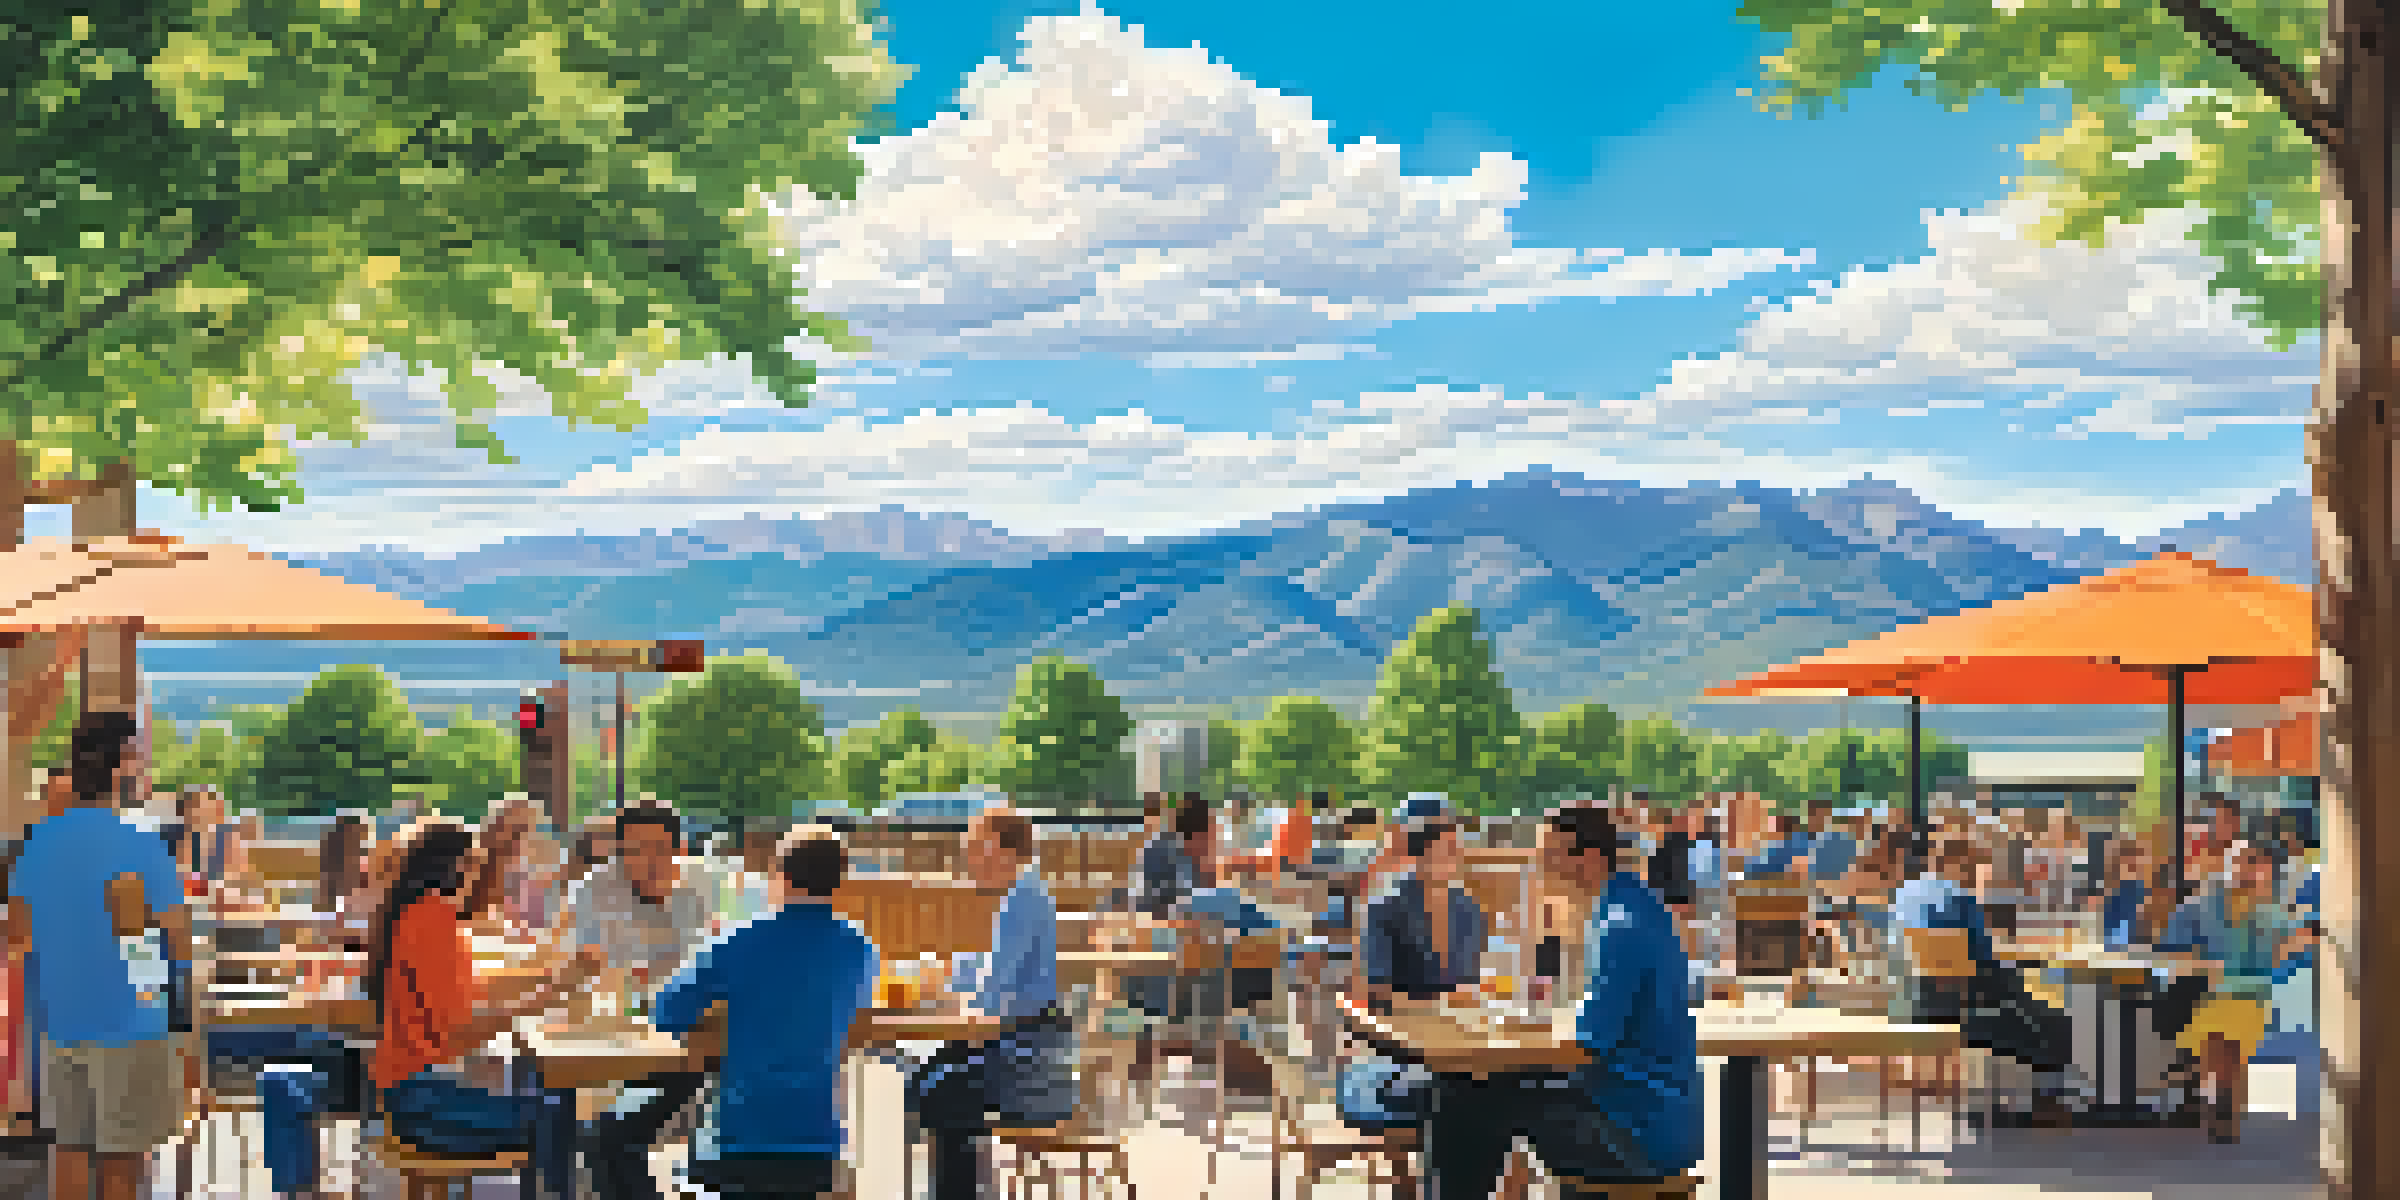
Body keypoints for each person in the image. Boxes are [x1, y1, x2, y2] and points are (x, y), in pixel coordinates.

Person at [1421, 807, 1702, 1199]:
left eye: (1549, 856)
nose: (1540, 867)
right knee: (1482, 1090)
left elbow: (1588, 1044)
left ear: (1587, 858)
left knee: (1464, 1099)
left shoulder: (1619, 927)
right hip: (1656, 1120)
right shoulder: (1638, 908)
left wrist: (1509, 1044)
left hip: (1633, 1136)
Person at [3, 713, 192, 1200]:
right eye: (138, 756)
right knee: (120, 1169)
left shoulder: (37, 845)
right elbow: (175, 945)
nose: (144, 767)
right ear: (120, 767)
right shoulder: (138, 845)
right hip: (129, 1025)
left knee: (67, 1158)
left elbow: (17, 939)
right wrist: (182, 1031)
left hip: (61, 1028)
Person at [650, 826, 876, 1198]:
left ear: (781, 876)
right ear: (838, 881)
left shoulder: (740, 940)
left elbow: (667, 1011)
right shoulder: (859, 949)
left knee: (676, 1152)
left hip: (743, 1136)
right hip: (818, 1141)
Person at [369, 823, 592, 1198]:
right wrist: (543, 998)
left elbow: (475, 992)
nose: (480, 876)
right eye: (475, 864)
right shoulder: (432, 920)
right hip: (425, 1102)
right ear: (455, 867)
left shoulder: (420, 915)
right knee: (561, 1114)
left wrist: (554, 981)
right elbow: (459, 1029)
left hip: (418, 1094)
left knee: (554, 1098)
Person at [908, 808, 1076, 1200]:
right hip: (1031, 1049)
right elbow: (994, 971)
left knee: (937, 1086)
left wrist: (943, 996)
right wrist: (950, 975)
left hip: (1029, 1064)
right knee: (932, 1076)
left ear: (1007, 850)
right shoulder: (1026, 895)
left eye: (977, 846)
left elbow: (992, 992)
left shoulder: (1022, 900)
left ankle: (955, 1191)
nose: (969, 855)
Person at [568, 805, 715, 1200]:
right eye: (632, 849)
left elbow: (699, 971)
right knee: (608, 1139)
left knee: (612, 1139)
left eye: (657, 848)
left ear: (678, 848)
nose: (645, 860)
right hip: (604, 1042)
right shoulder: (592, 891)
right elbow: (582, 968)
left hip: (676, 1041)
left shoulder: (695, 892)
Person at [1890, 832, 2076, 1126]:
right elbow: (1983, 957)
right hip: (1962, 1009)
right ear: (1961, 862)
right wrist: (2025, 971)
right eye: (1974, 862)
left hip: (1914, 1003)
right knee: (2052, 1017)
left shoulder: (1904, 894)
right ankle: (2049, 1098)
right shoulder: (1959, 898)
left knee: (2025, 1000)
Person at [2156, 839, 2318, 1143]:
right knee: (2218, 1053)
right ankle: (2218, 1106)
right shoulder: (2209, 902)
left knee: (2231, 1055)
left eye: (2255, 862)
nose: (2249, 868)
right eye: (2244, 861)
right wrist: (2198, 963)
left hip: (2249, 992)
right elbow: (2178, 944)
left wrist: (2307, 938)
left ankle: (2224, 1111)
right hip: (2214, 991)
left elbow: (2280, 951)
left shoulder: (2269, 907)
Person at [1337, 816, 1484, 1138]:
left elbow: (1476, 981)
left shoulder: (1469, 909)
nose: (1458, 856)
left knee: (1509, 1088)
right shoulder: (1383, 908)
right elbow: (1378, 993)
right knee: (1472, 1097)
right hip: (1403, 1054)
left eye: (1458, 848)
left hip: (1463, 1043)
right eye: (1448, 849)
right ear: (1419, 856)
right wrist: (1445, 1005)